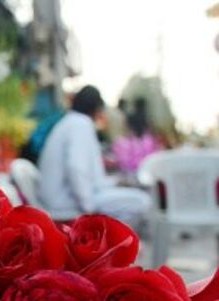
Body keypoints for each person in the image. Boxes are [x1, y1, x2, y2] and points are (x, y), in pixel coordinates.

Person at [37, 85, 151, 228]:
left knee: (131, 198)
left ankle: (113, 243)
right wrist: (89, 209)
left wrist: (114, 182)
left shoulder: (70, 122)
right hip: (66, 204)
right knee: (142, 201)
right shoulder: (80, 124)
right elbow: (76, 168)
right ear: (96, 108)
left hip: (62, 199)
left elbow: (89, 178)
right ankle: (115, 246)